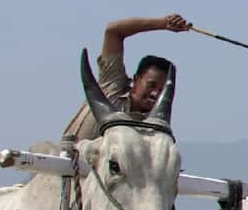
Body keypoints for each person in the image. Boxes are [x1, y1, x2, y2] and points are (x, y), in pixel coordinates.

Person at [64, 14, 192, 141]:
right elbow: (113, 31)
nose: (155, 94)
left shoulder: (153, 131)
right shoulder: (112, 85)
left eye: (162, 91)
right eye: (151, 85)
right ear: (136, 79)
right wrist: (163, 23)